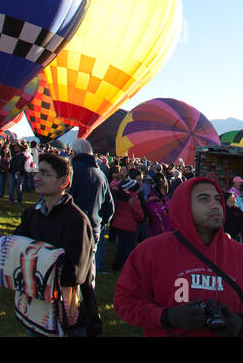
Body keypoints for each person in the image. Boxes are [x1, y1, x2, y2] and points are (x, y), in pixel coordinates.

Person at [112, 176, 243, 337]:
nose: (215, 205)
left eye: (217, 199)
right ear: (183, 205)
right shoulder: (150, 252)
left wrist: (242, 323)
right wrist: (166, 317)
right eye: (204, 199)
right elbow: (125, 300)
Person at [13, 151, 101, 336]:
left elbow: (76, 273)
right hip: (36, 307)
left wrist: (35, 260)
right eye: (37, 173)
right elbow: (16, 248)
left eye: (45, 174)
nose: (37, 178)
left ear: (64, 182)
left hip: (67, 313)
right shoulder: (32, 214)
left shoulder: (77, 221)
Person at [68, 139, 114, 272]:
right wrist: (100, 224)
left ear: (75, 152)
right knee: (88, 268)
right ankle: (87, 289)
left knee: (68, 269)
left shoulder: (70, 171)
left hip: (70, 227)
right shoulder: (101, 175)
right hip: (93, 229)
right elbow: (110, 208)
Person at [109, 176, 145, 272]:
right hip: (130, 227)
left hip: (118, 225)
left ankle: (117, 264)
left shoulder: (119, 197)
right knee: (128, 248)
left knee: (120, 247)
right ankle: (125, 265)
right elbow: (139, 215)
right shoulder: (134, 200)